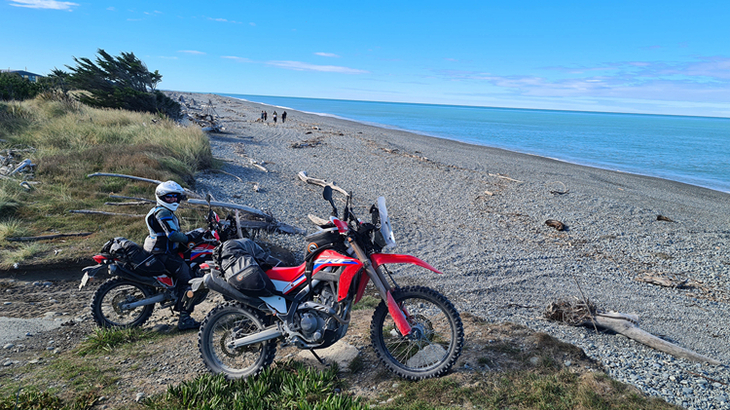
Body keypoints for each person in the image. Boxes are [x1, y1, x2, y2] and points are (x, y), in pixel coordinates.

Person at [143, 181, 200, 330]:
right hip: (163, 253)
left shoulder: (159, 210)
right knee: (190, 280)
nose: (174, 199)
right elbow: (173, 235)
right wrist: (189, 238)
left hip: (159, 250)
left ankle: (176, 298)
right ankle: (185, 319)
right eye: (169, 197)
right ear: (161, 197)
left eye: (176, 196)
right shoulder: (163, 213)